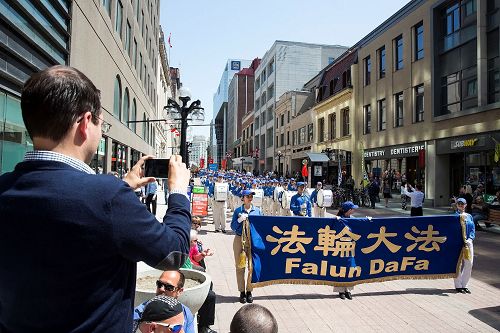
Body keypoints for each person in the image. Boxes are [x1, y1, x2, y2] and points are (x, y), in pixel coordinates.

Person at [0, 65, 191, 332]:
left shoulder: (5, 187)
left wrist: (123, 188)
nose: (101, 132)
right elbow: (173, 253)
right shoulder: (107, 197)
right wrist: (179, 192)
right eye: (102, 124)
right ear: (85, 122)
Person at [231, 189, 262, 304]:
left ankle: (249, 291)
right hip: (240, 239)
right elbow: (233, 227)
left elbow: (261, 227)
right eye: (247, 196)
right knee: (240, 267)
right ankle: (242, 292)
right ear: (242, 198)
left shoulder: (257, 211)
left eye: (251, 196)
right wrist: (239, 220)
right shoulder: (238, 210)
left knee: (251, 267)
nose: (250, 198)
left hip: (252, 240)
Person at [332, 201, 359, 300]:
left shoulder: (353, 219)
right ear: (348, 210)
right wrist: (336, 220)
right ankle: (340, 291)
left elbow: (362, 224)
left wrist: (368, 220)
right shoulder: (339, 219)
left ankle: (348, 290)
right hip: (340, 248)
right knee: (341, 269)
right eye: (352, 208)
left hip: (350, 249)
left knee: (350, 269)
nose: (354, 210)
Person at [453, 198, 475, 294]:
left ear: (466, 205)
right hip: (457, 243)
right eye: (459, 204)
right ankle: (458, 285)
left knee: (469, 263)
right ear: (456, 205)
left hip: (468, 243)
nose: (461, 205)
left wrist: (470, 239)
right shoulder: (454, 217)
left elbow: (472, 229)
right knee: (458, 264)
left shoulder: (469, 216)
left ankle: (465, 284)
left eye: (463, 204)